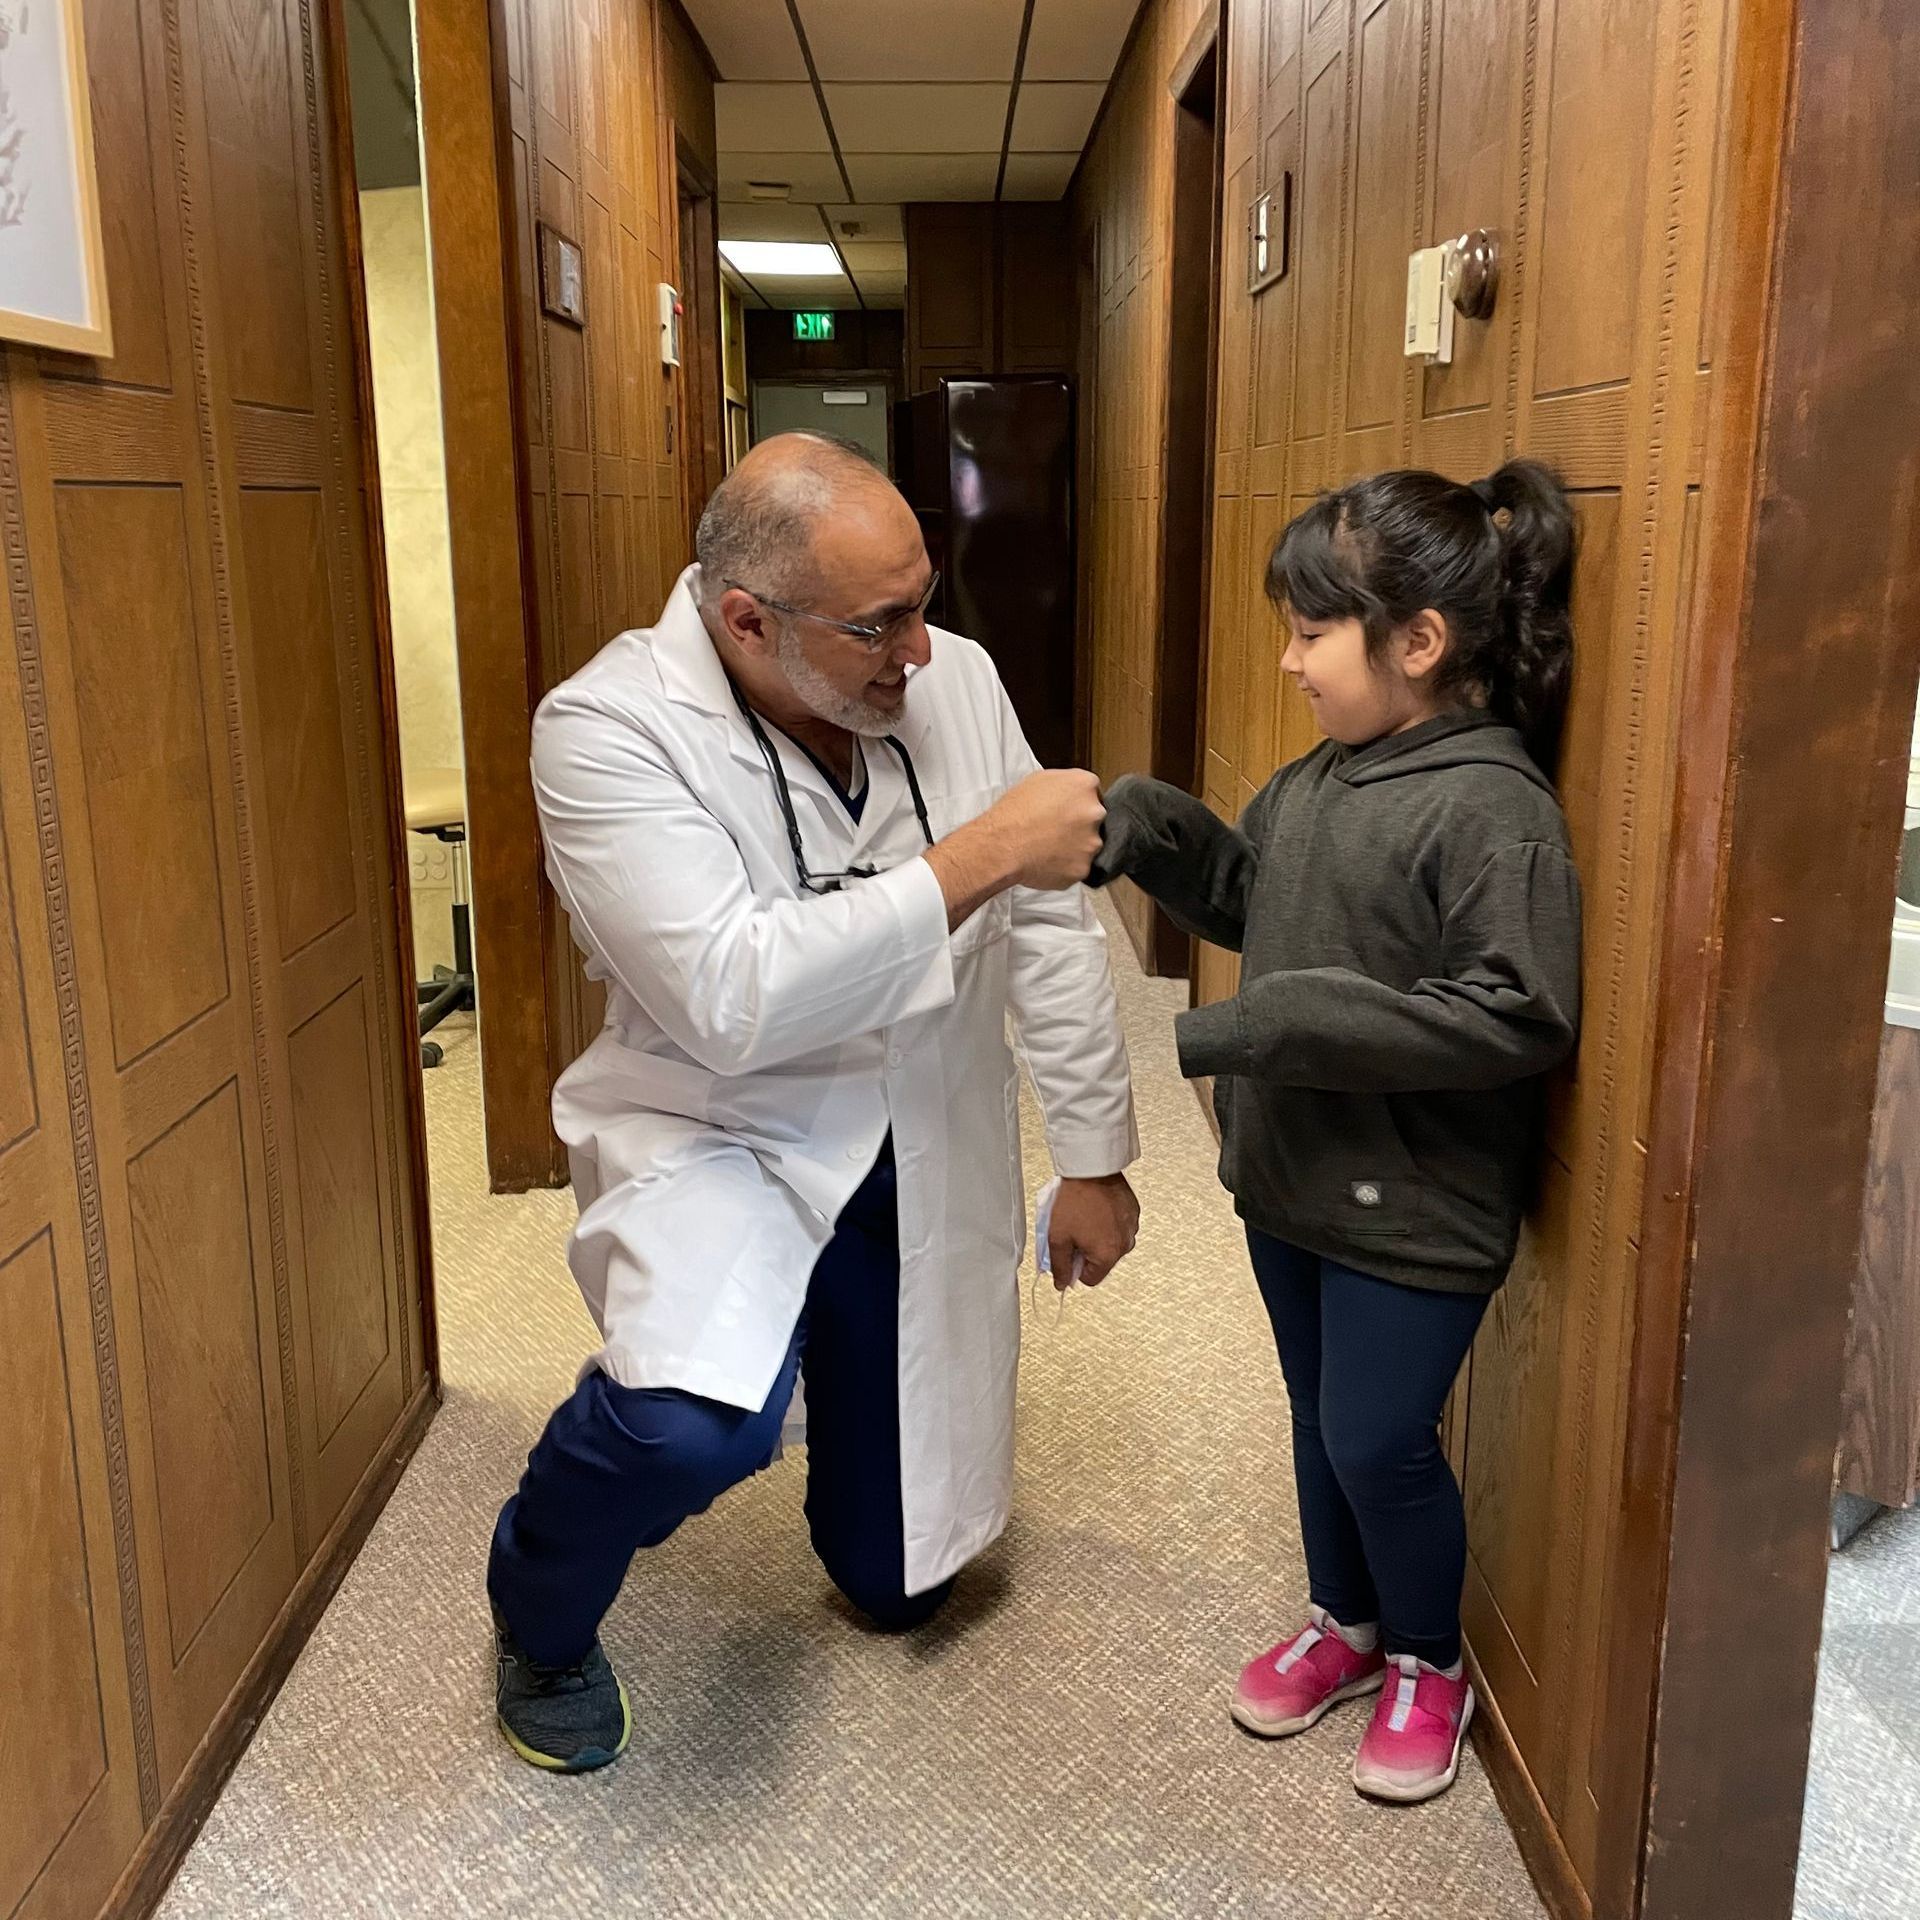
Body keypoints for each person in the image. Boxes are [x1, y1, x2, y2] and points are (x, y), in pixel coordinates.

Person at [486, 433, 1141, 1772]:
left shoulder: (947, 678)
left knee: (899, 1588)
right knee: (688, 1430)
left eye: (923, 600)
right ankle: (536, 1604)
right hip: (729, 1125)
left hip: (920, 1129)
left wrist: (1093, 1153)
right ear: (747, 620)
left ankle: (829, 1384)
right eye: (879, 625)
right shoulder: (606, 731)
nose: (920, 652)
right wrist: (978, 856)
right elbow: (732, 994)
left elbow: (1052, 927)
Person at [1090, 461, 1582, 1805]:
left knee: (1376, 1436)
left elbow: (1515, 1013)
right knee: (1317, 1416)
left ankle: (1428, 1657)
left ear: (1419, 643)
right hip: (1294, 1178)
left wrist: (1276, 1027)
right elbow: (1259, 897)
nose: (1291, 659)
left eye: (1314, 631)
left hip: (1417, 1203)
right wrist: (1153, 828)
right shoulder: (1325, 779)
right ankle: (1347, 1624)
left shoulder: (1491, 807)